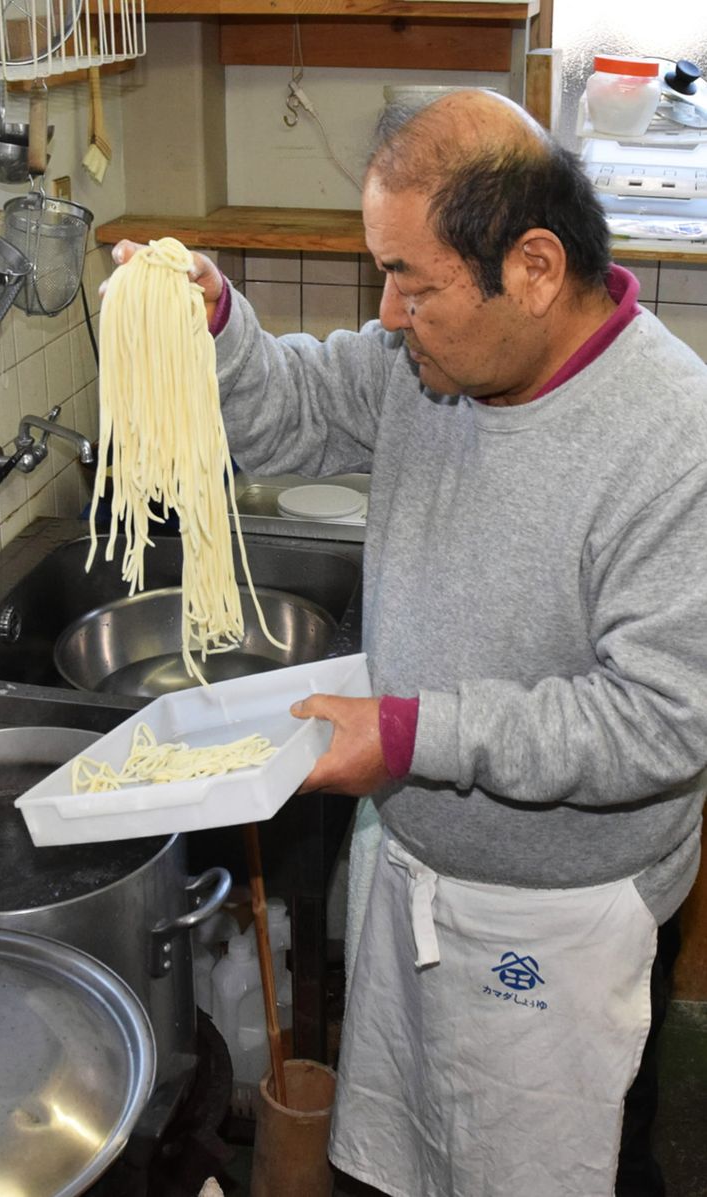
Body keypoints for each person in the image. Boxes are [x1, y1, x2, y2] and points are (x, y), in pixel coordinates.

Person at [110, 88, 707, 1197]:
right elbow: (287, 408)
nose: (387, 313)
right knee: (422, 1150)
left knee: (569, 1168)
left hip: (567, 915)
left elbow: (658, 721)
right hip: (420, 862)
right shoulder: (421, 369)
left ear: (532, 267)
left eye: (410, 280)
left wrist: (409, 732)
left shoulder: (676, 441)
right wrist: (219, 323)